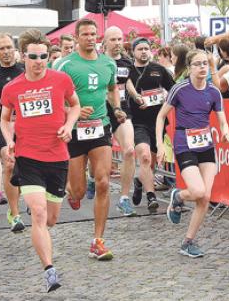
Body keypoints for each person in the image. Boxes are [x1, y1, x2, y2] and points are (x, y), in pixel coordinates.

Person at [0, 28, 80, 292]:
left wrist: (69, 125)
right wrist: (9, 140)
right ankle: (49, 269)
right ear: (23, 56)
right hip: (29, 157)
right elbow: (4, 119)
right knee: (38, 213)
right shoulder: (12, 88)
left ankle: (40, 227)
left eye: (43, 56)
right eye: (33, 56)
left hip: (57, 157)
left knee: (52, 219)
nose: (38, 61)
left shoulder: (61, 80)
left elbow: (75, 105)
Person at [56, 18, 126, 260]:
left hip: (100, 128)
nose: (89, 38)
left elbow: (112, 88)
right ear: (76, 37)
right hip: (74, 130)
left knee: (104, 182)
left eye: (93, 34)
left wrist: (116, 108)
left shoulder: (108, 63)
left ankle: (98, 240)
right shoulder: (64, 64)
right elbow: (55, 96)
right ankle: (72, 193)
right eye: (85, 34)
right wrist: (69, 111)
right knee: (78, 191)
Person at [157, 49, 229, 257]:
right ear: (189, 67)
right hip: (184, 144)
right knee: (197, 191)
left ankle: (188, 242)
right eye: (197, 64)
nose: (202, 68)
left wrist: (225, 131)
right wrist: (160, 145)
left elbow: (222, 119)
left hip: (206, 144)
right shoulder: (179, 89)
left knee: (205, 197)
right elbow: (161, 116)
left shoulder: (213, 92)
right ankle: (178, 196)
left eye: (205, 64)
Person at [126, 38, 175, 211]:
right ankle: (151, 196)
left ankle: (140, 181)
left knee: (151, 164)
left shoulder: (159, 69)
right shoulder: (128, 71)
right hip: (136, 122)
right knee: (145, 157)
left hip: (157, 123)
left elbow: (174, 90)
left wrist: (164, 98)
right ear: (133, 52)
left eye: (146, 48)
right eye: (140, 49)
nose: (144, 52)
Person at [0, 32, 26, 230]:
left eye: (9, 47)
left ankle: (22, 200)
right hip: (3, 125)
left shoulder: (25, 69)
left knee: (25, 166)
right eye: (1, 48)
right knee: (9, 162)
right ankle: (15, 214)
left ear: (15, 49)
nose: (6, 52)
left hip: (27, 125)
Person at [102, 26, 137, 217]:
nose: (117, 43)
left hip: (123, 112)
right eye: (113, 39)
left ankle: (124, 198)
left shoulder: (126, 62)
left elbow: (127, 81)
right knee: (99, 158)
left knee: (130, 151)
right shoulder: (99, 62)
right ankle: (92, 177)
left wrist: (136, 95)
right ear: (105, 42)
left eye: (119, 39)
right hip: (101, 113)